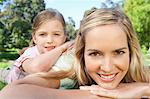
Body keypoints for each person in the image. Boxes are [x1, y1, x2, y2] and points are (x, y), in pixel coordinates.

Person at [0, 8, 150, 99]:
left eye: (119, 52)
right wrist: (109, 94)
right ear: (82, 54)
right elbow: (11, 93)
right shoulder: (71, 71)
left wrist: (143, 89)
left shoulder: (137, 70)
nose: (107, 67)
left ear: (130, 52)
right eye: (95, 54)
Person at [1, 8, 74, 83]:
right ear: (34, 38)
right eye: (42, 34)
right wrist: (62, 47)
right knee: (4, 74)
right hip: (15, 83)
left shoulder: (68, 53)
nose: (50, 40)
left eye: (56, 34)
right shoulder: (31, 53)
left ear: (65, 36)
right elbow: (36, 68)